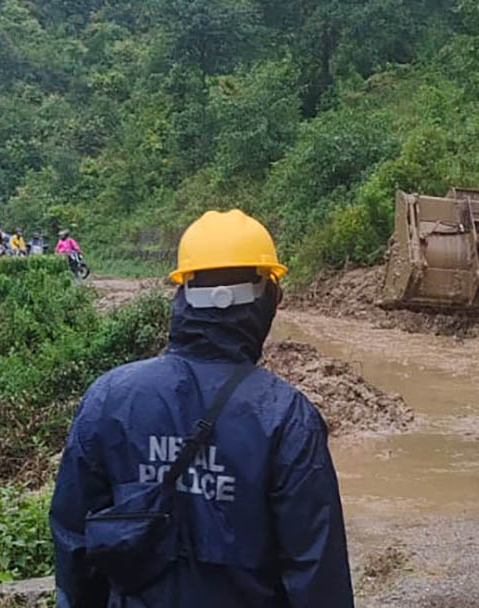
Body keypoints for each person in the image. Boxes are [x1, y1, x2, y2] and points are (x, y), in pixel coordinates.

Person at [50, 209, 354, 608]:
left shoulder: (110, 398)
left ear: (182, 296)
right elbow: (317, 577)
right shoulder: (287, 418)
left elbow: (74, 548)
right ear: (271, 301)